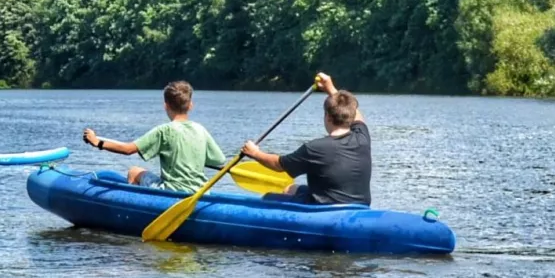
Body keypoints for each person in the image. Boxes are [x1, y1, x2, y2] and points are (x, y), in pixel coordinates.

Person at [238, 73, 371, 205]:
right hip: (359, 206)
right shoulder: (362, 138)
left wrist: (254, 153)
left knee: (268, 198)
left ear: (328, 117)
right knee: (292, 189)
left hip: (325, 210)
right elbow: (356, 115)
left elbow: (278, 165)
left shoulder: (315, 148)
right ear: (350, 116)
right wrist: (331, 89)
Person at [81, 80, 226, 191]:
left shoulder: (164, 131)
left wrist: (97, 142)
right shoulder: (200, 130)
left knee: (134, 171)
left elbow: (128, 149)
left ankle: (135, 212)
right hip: (199, 191)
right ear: (190, 105)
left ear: (166, 106)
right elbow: (219, 160)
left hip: (172, 191)